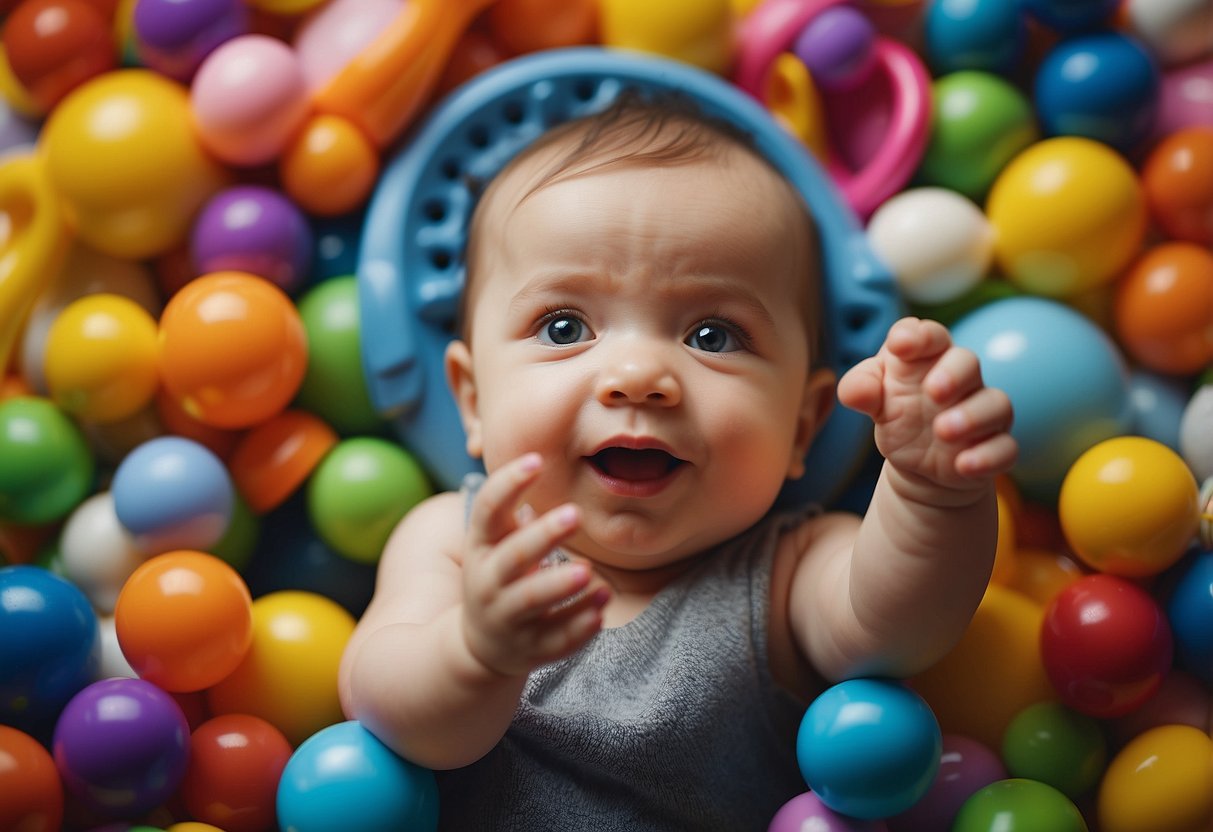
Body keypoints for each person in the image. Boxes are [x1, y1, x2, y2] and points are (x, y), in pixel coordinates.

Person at [338, 93, 1017, 830]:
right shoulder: (455, 540)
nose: (638, 375)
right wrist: (474, 652)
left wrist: (928, 492)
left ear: (801, 425)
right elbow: (388, 709)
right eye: (563, 326)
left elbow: (896, 627)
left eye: (712, 335)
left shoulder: (787, 569)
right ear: (472, 400)